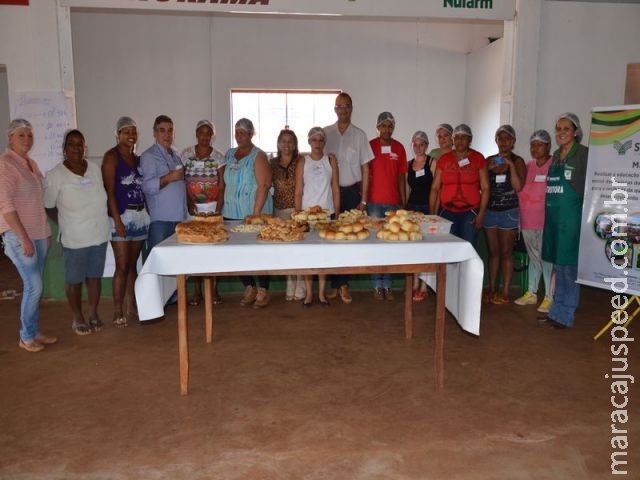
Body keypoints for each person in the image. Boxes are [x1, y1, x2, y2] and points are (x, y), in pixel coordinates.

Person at [44, 129, 110, 335]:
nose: (76, 148)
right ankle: (78, 318)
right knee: (74, 280)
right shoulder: (55, 175)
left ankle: (93, 314)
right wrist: (66, 222)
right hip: (74, 238)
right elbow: (48, 206)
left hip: (98, 235)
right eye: (71, 144)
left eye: (80, 144)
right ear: (64, 149)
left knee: (94, 277)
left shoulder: (94, 168)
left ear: (85, 147)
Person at [0, 119, 55, 352]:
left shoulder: (31, 164)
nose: (26, 139)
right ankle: (25, 337)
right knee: (34, 287)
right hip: (18, 235)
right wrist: (23, 238)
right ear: (10, 138)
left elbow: (38, 200)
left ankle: (33, 332)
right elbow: (5, 205)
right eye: (21, 135)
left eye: (29, 135)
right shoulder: (5, 165)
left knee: (36, 285)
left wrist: (45, 232)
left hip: (38, 233)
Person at [324, 92, 374, 303]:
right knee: (332, 238)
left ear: (352, 109)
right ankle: (336, 284)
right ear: (334, 109)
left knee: (349, 240)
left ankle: (343, 285)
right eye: (339, 106)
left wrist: (363, 200)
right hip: (330, 194)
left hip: (353, 192)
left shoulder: (360, 135)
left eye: (346, 106)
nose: (342, 110)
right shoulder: (326, 133)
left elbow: (366, 169)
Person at [541, 113, 589, 329]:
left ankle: (566, 314)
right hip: (554, 218)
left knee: (569, 268)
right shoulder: (556, 155)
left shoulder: (584, 154)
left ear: (576, 132)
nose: (561, 132)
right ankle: (556, 311)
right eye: (558, 128)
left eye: (566, 129)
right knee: (558, 267)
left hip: (572, 219)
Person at [102, 116, 150, 328]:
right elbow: (110, 191)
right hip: (121, 217)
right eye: (126, 132)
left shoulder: (138, 159)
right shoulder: (111, 157)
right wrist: (117, 220)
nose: (131, 136)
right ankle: (118, 311)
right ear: (118, 134)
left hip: (140, 217)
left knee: (132, 265)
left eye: (134, 132)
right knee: (121, 266)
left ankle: (133, 306)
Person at [222, 118, 273, 308]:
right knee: (236, 254)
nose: (238, 135)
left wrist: (255, 215)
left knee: (259, 254)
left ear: (251, 134)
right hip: (230, 213)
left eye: (242, 132)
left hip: (253, 214)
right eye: (236, 132)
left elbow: (264, 185)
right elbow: (223, 182)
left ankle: (263, 290)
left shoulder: (258, 155)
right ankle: (249, 286)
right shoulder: (228, 154)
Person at [180, 119, 226, 306]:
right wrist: (189, 201)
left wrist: (218, 207)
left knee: (214, 249)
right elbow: (182, 181)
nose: (205, 137)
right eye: (202, 133)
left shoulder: (219, 157)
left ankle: (214, 291)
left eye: (208, 133)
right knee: (194, 249)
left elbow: (222, 184)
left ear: (212, 136)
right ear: (196, 134)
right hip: (192, 208)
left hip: (212, 206)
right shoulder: (185, 154)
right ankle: (197, 292)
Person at [295, 127, 340, 307]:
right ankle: (308, 294)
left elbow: (335, 188)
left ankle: (321, 294)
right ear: (309, 141)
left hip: (326, 214)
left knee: (323, 254)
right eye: (314, 140)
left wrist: (337, 213)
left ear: (324, 142)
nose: (317, 143)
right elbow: (298, 190)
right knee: (307, 254)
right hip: (306, 215)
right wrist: (297, 215)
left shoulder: (330, 160)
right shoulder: (302, 162)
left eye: (321, 140)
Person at [482, 125, 526, 304]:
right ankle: (492, 289)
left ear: (513, 141)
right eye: (500, 139)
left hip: (509, 213)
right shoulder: (489, 160)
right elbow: (481, 185)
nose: (503, 142)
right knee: (493, 253)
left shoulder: (518, 161)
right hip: (490, 212)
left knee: (506, 253)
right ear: (496, 141)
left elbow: (518, 186)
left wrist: (510, 166)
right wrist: (488, 169)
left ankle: (506, 292)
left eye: (507, 139)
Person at [367, 112, 407, 301]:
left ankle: (388, 285)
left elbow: (401, 178)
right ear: (377, 127)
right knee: (375, 245)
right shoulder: (370, 146)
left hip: (393, 202)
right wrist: (364, 200)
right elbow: (365, 173)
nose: (386, 129)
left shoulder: (399, 147)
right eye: (383, 125)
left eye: (390, 126)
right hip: (374, 202)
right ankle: (376, 285)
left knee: (391, 245)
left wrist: (402, 203)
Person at [429, 123, 489, 248]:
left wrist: (481, 214)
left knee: (468, 250)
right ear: (453, 139)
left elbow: (486, 188)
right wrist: (432, 214)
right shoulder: (444, 159)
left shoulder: (478, 158)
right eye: (457, 137)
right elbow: (435, 188)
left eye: (464, 137)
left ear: (470, 140)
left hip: (470, 213)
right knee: (448, 251)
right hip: (446, 212)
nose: (460, 140)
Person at [514, 130, 555, 313]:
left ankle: (549, 297)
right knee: (533, 258)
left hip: (546, 221)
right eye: (533, 145)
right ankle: (531, 293)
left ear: (548, 146)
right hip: (528, 220)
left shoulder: (555, 165)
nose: (535, 148)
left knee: (546, 258)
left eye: (539, 144)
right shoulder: (528, 165)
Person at [141, 115, 187, 254]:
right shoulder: (149, 156)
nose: (167, 134)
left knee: (176, 264)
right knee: (157, 265)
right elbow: (147, 187)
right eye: (162, 130)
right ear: (154, 133)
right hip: (161, 221)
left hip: (179, 219)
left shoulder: (176, 155)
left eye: (170, 130)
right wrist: (169, 177)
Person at [271, 128, 306, 302]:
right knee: (284, 251)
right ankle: (289, 282)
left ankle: (300, 282)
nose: (286, 145)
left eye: (290, 141)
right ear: (278, 144)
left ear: (295, 145)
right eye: (283, 141)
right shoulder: (272, 163)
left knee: (298, 251)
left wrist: (298, 213)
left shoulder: (301, 161)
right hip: (278, 211)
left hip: (296, 211)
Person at [406, 130, 434, 301]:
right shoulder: (409, 164)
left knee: (427, 248)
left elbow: (437, 188)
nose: (418, 147)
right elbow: (407, 188)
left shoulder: (432, 163)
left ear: (427, 146)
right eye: (415, 144)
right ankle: (415, 282)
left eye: (421, 144)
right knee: (414, 248)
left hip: (426, 208)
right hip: (411, 208)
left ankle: (425, 285)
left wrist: (433, 211)